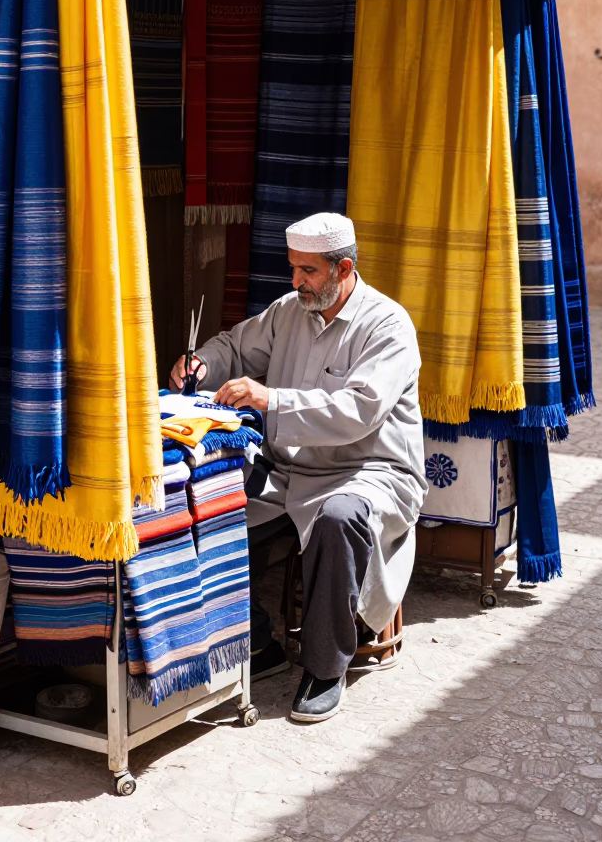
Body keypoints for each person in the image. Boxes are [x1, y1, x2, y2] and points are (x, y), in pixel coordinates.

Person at [170, 213, 426, 724]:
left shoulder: (388, 326)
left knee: (339, 516)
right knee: (200, 497)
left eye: (307, 271)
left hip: (371, 472)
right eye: (293, 269)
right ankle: (257, 642)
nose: (295, 281)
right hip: (293, 470)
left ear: (344, 268)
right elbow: (234, 346)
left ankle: (326, 669)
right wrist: (200, 363)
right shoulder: (291, 311)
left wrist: (271, 400)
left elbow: (359, 412)